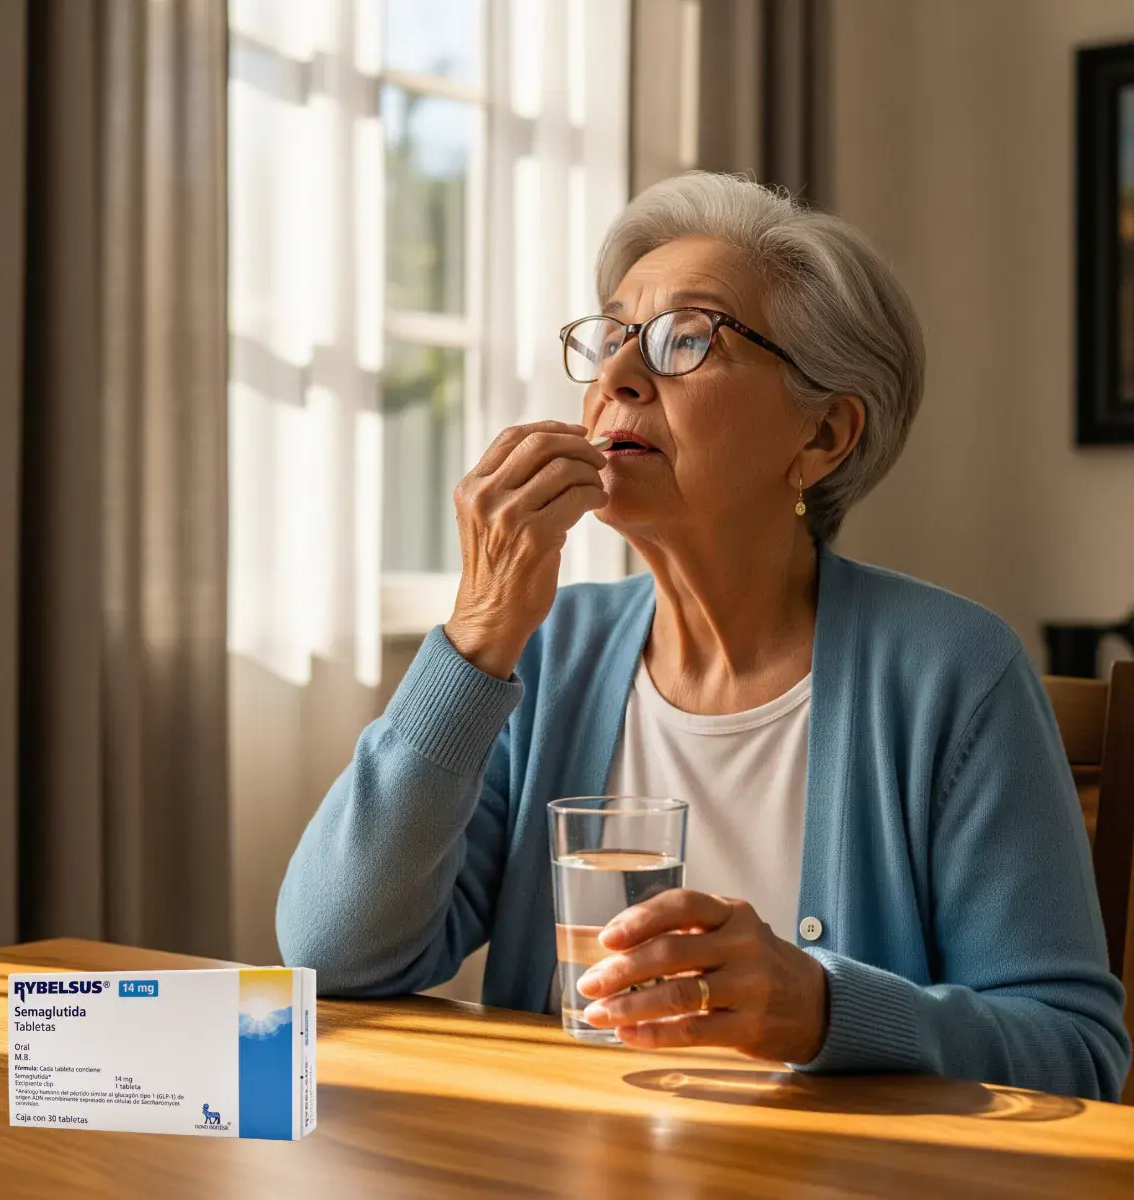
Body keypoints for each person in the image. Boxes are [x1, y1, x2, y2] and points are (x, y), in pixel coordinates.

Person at [277, 172, 1129, 1100]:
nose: (614, 380)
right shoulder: (549, 651)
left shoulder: (952, 672)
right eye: (611, 338)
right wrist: (477, 636)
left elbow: (1075, 1052)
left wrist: (821, 1008)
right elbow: (334, 951)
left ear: (825, 434)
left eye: (686, 339)